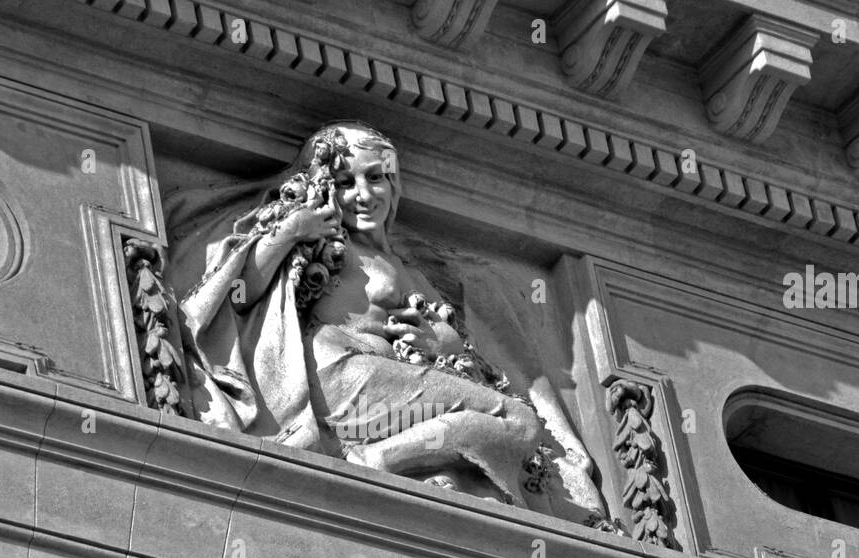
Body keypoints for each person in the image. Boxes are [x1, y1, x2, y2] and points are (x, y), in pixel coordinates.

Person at [169, 122, 600, 513]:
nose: (363, 193)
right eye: (345, 182)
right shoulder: (329, 240)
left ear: (394, 185)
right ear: (326, 188)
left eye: (375, 177)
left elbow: (461, 352)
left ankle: (395, 460)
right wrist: (290, 232)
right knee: (517, 420)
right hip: (339, 377)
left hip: (380, 391)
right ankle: (377, 459)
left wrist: (445, 345)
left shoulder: (409, 271)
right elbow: (243, 295)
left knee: (514, 425)